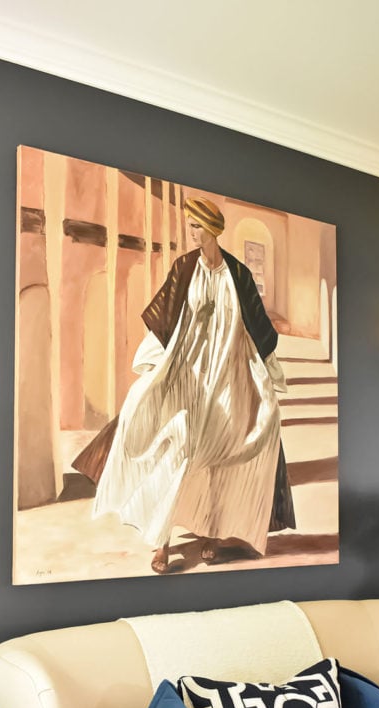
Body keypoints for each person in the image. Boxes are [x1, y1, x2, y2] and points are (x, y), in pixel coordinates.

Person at [73, 197, 295, 574]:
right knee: (175, 454)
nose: (191, 231)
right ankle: (161, 541)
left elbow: (258, 326)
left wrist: (269, 375)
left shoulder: (238, 274)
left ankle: (211, 533)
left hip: (225, 376)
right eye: (190, 224)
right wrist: (152, 365)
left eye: (196, 226)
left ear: (211, 230)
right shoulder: (184, 267)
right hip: (186, 374)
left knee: (216, 458)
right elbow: (165, 315)